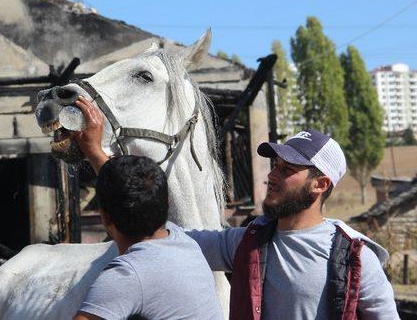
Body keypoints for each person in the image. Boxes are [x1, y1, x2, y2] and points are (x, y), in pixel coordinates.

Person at [72, 98, 399, 320]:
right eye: (275, 165)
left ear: (320, 185)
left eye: (287, 170)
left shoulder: (352, 257)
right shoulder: (248, 243)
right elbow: (147, 215)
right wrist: (95, 153)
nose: (272, 175)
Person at [74, 154, 223, 320]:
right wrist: (93, 151)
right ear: (167, 203)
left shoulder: (126, 275)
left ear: (105, 217)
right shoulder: (185, 241)